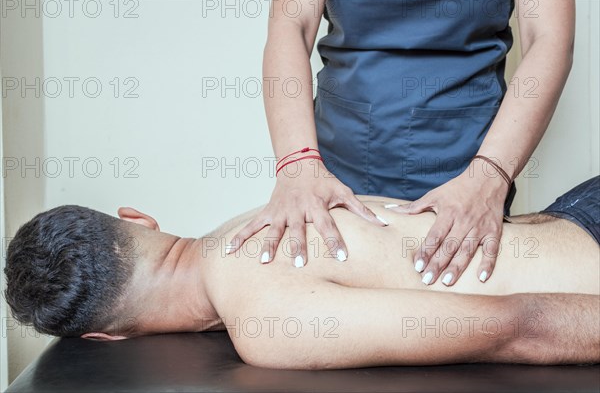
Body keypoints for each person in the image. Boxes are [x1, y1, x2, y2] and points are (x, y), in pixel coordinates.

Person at [4, 177, 599, 369]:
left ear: (105, 336)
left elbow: (517, 326)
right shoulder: (254, 220)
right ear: (137, 218)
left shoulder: (266, 323)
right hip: (577, 212)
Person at [229, 0, 576, 286]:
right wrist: (298, 164)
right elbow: (291, 24)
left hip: (469, 173)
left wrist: (489, 177)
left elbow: (548, 38)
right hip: (336, 168)